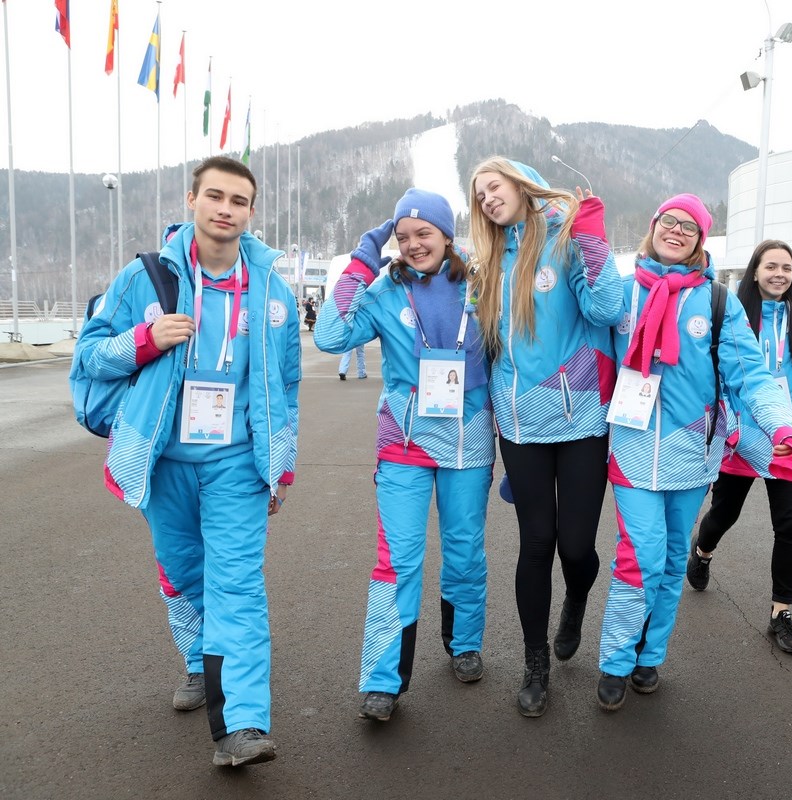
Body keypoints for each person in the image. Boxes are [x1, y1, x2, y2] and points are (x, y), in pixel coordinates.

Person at [73, 156, 300, 767]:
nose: (227, 208)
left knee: (238, 584)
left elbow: (286, 381)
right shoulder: (145, 277)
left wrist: (282, 459)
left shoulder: (272, 286)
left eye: (240, 200)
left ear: (252, 212)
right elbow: (90, 356)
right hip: (164, 458)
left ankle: (245, 723)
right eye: (216, 196)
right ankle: (199, 662)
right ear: (192, 200)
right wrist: (144, 341)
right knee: (181, 571)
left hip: (237, 464)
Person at [596, 196, 792, 711]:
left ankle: (650, 656)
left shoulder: (718, 302)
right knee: (637, 556)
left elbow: (750, 373)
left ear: (701, 240)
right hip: (631, 447)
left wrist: (781, 424)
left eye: (690, 227)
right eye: (670, 221)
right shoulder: (620, 295)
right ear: (653, 226)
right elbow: (585, 361)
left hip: (693, 452)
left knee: (668, 561)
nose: (678, 231)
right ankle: (617, 658)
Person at [315, 188, 493, 723]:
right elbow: (328, 336)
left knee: (464, 550)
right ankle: (382, 679)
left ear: (447, 235)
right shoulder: (384, 291)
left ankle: (463, 642)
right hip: (404, 442)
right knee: (396, 560)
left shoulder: (484, 288)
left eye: (425, 234)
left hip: (470, 440)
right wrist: (361, 262)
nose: (414, 245)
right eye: (403, 236)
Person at [469, 157, 623, 717]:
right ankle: (536, 665)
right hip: (520, 425)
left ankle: (578, 594)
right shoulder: (485, 262)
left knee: (575, 546)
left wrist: (591, 237)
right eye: (479, 193)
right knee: (536, 543)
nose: (487, 198)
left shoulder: (565, 240)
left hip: (580, 416)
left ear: (521, 183)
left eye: (494, 186)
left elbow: (608, 307)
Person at [688, 239, 792, 654]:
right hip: (741, 440)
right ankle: (702, 552)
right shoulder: (731, 319)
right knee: (724, 514)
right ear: (754, 271)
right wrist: (733, 429)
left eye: (787, 269)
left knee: (789, 527)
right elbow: (717, 381)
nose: (779, 274)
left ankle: (781, 613)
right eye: (771, 266)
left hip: (788, 441)